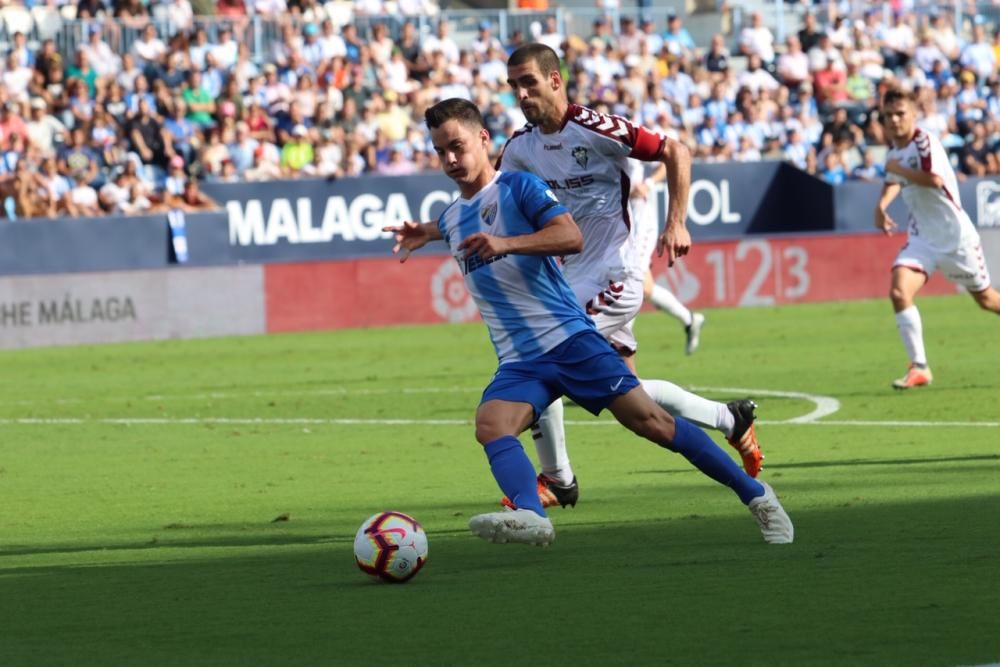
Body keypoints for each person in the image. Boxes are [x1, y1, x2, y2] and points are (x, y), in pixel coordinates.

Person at [384, 98, 793, 546]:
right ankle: (532, 514)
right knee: (491, 425)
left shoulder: (520, 187)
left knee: (652, 423)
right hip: (521, 360)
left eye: (457, 146)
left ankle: (757, 495)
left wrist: (507, 244)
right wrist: (424, 231)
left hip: (569, 340)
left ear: (484, 139)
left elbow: (570, 236)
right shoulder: (452, 216)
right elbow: (454, 222)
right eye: (441, 151)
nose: (450, 160)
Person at [497, 44, 763, 509]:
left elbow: (675, 151)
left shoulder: (595, 128)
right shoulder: (521, 148)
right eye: (514, 86)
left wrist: (676, 221)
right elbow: (496, 199)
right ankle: (729, 418)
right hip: (573, 278)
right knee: (630, 397)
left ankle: (557, 479)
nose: (521, 94)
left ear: (555, 81)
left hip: (616, 274)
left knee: (540, 355)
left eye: (529, 83)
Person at [874, 87, 1000, 389]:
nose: (894, 120)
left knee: (986, 300)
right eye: (888, 115)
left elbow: (934, 181)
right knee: (899, 292)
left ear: (914, 114)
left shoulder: (924, 142)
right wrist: (881, 206)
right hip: (922, 239)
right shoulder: (895, 151)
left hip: (956, 239)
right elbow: (894, 180)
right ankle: (919, 367)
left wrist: (896, 169)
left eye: (900, 113)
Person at [627, 158, 705, 354]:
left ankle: (621, 347)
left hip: (638, 217)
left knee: (634, 282)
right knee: (644, 287)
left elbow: (671, 158)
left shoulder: (624, 136)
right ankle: (689, 320)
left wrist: (649, 183)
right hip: (617, 221)